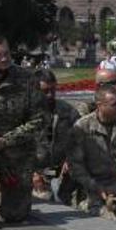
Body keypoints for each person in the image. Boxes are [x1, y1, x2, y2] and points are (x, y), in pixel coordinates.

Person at [0, 33, 49, 229]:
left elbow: (40, 118)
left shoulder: (26, 79)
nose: (4, 59)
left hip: (16, 150)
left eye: (7, 53)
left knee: (15, 215)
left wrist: (7, 140)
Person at [67, 84, 116, 226]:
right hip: (95, 189)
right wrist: (96, 187)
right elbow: (75, 167)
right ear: (100, 105)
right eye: (114, 104)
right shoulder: (82, 128)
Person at [31, 69, 80, 203]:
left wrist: (70, 159)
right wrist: (32, 174)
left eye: (53, 90)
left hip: (58, 171)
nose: (50, 95)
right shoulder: (23, 113)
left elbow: (80, 140)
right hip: (32, 172)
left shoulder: (67, 111)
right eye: (45, 91)